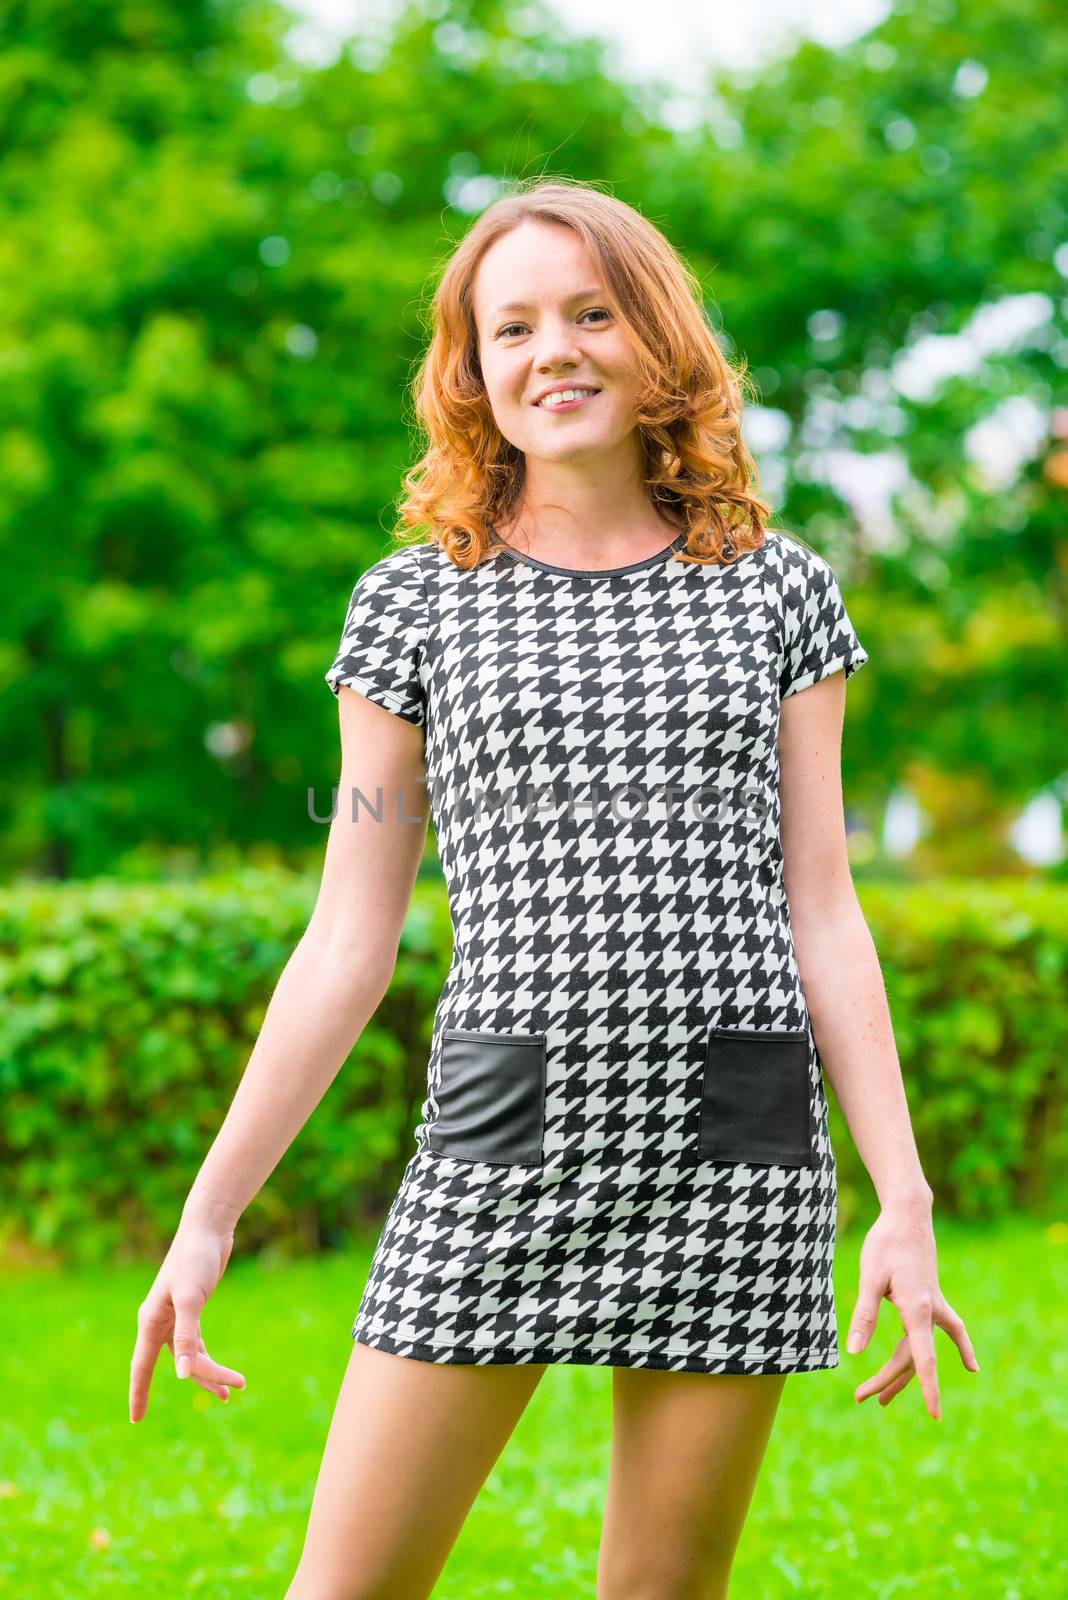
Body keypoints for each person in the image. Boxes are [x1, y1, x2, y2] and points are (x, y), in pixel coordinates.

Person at [129, 177, 979, 1599]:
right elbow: (351, 929)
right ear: (471, 369)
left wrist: (902, 1196)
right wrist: (210, 1213)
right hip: (502, 1127)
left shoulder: (776, 591)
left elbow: (823, 910)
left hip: (737, 1138)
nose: (554, 351)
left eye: (591, 313)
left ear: (659, 343)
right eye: (511, 326)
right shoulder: (414, 603)